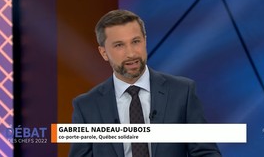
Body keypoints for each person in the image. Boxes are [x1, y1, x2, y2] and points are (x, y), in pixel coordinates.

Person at [69, 9, 222, 157]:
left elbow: (205, 152)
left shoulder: (182, 92)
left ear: (145, 41)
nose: (131, 53)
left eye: (135, 41)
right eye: (119, 45)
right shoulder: (87, 107)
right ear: (104, 53)